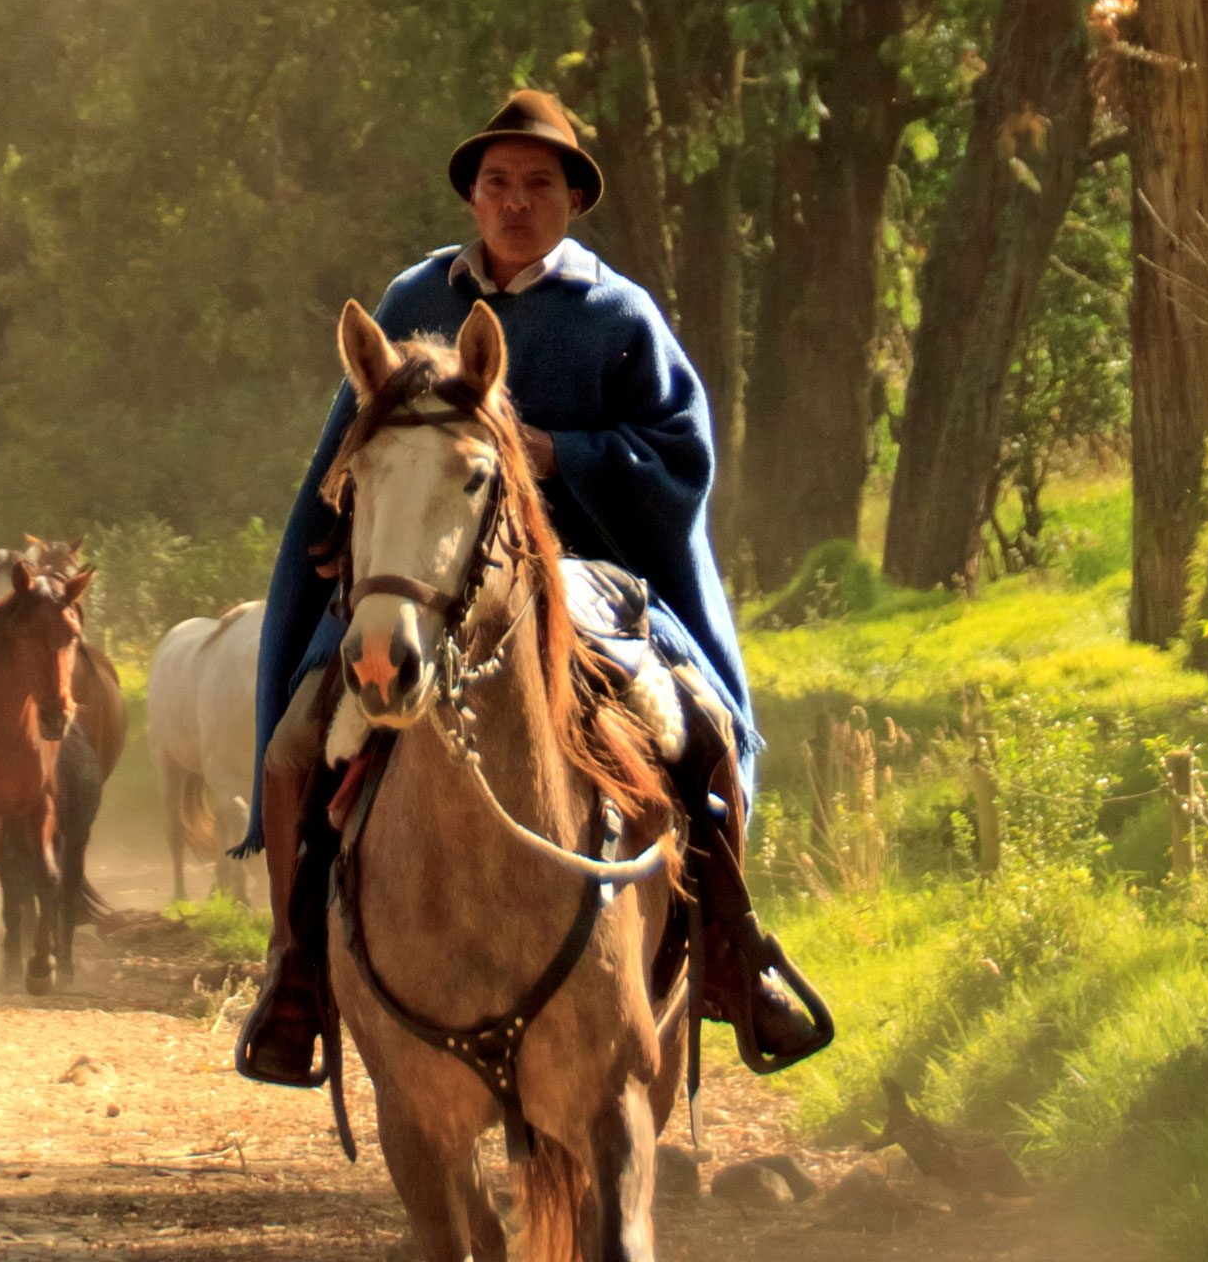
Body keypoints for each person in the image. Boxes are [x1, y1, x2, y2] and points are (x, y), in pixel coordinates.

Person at [232, 89, 829, 1089]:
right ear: (472, 196)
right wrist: (345, 538)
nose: (515, 202)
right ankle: (297, 972)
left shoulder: (616, 315)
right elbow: (349, 455)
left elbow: (681, 459)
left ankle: (730, 948)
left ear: (572, 199)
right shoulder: (410, 300)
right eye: (498, 183)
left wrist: (564, 455)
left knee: (697, 731)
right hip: (418, 585)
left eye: (538, 184)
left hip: (583, 580)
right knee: (295, 745)